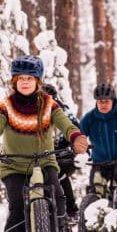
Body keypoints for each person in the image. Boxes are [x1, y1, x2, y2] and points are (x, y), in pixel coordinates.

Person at [0, 55, 88, 232]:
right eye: (20, 78)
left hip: (45, 161)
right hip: (14, 166)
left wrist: (76, 137)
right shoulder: (6, 106)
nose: (25, 82)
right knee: (17, 206)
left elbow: (65, 124)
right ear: (14, 82)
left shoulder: (50, 105)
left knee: (58, 194)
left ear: (38, 82)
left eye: (30, 78)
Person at [79, 82, 117, 232]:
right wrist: (78, 148)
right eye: (100, 102)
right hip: (99, 161)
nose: (103, 104)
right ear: (96, 102)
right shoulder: (89, 118)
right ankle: (95, 223)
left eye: (106, 101)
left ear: (113, 101)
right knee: (94, 187)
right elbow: (79, 136)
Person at [41, 83, 80, 224]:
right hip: (40, 155)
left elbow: (75, 128)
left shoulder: (63, 111)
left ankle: (71, 210)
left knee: (61, 176)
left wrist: (75, 146)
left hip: (62, 153)